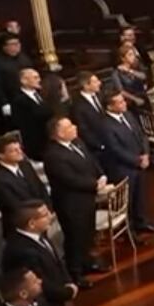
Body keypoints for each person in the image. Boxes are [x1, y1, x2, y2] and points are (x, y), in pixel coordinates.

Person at [4, 200, 84, 306]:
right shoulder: (22, 250)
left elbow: (56, 260)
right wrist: (66, 292)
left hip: (57, 295)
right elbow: (39, 283)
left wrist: (68, 281)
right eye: (45, 215)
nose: (51, 216)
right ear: (31, 223)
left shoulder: (39, 235)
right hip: (46, 304)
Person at [43, 117, 107, 276]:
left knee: (87, 234)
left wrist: (101, 175)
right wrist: (94, 184)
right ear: (59, 133)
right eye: (69, 126)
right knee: (75, 238)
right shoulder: (53, 155)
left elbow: (91, 160)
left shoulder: (78, 142)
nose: (75, 127)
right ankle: (75, 272)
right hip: (71, 203)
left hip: (87, 199)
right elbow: (69, 178)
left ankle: (87, 262)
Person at [97, 91, 154, 234]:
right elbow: (115, 149)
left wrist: (146, 154)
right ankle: (129, 231)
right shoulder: (105, 125)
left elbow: (141, 135)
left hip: (140, 162)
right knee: (128, 200)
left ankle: (141, 222)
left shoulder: (128, 115)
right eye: (120, 102)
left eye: (123, 100)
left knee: (140, 196)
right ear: (110, 107)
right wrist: (137, 160)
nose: (124, 103)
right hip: (123, 168)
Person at [0, 132, 51, 223]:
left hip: (41, 217)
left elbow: (40, 187)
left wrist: (47, 207)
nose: (19, 152)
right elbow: (12, 204)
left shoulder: (26, 166)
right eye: (14, 150)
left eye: (19, 148)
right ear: (1, 155)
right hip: (21, 223)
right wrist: (37, 213)